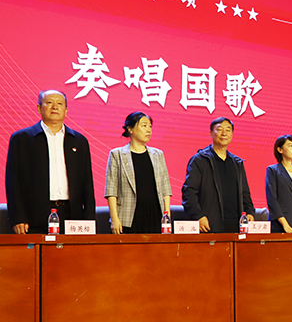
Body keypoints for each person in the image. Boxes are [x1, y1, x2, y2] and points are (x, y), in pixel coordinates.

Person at [5, 89, 95, 234]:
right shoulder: (22, 139)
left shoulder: (79, 141)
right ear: (39, 108)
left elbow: (87, 183)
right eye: (49, 103)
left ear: (66, 110)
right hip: (34, 214)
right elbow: (13, 181)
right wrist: (18, 217)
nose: (55, 107)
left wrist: (89, 219)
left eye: (59, 104)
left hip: (72, 214)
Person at [182, 117, 255, 233]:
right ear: (211, 133)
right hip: (210, 224)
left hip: (236, 225)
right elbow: (189, 192)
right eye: (219, 129)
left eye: (228, 130)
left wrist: (250, 212)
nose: (224, 133)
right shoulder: (200, 160)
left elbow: (245, 193)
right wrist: (198, 216)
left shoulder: (237, 163)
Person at [104, 112, 171, 234]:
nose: (148, 130)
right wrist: (114, 219)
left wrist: (167, 218)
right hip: (128, 218)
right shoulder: (117, 154)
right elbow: (111, 191)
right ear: (130, 129)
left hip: (155, 215)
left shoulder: (158, 155)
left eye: (150, 126)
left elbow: (165, 189)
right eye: (144, 126)